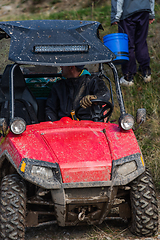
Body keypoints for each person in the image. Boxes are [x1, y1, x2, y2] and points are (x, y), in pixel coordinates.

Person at [111, 0, 155, 86]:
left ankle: (128, 77)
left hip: (128, 12)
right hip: (144, 10)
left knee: (127, 44)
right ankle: (146, 72)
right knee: (141, 41)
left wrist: (115, 16)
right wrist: (151, 13)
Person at [45, 65, 110, 121]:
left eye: (63, 65)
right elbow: (50, 109)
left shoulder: (93, 82)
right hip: (64, 128)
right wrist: (54, 125)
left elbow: (104, 93)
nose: (61, 66)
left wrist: (95, 98)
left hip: (89, 126)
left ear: (71, 68)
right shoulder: (58, 86)